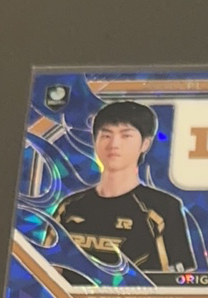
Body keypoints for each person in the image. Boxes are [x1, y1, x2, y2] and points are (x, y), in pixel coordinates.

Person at [52, 100, 195, 275]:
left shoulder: (163, 208)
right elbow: (45, 271)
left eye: (126, 136)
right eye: (106, 135)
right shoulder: (69, 207)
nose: (114, 144)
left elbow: (179, 280)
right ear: (95, 141)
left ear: (145, 144)